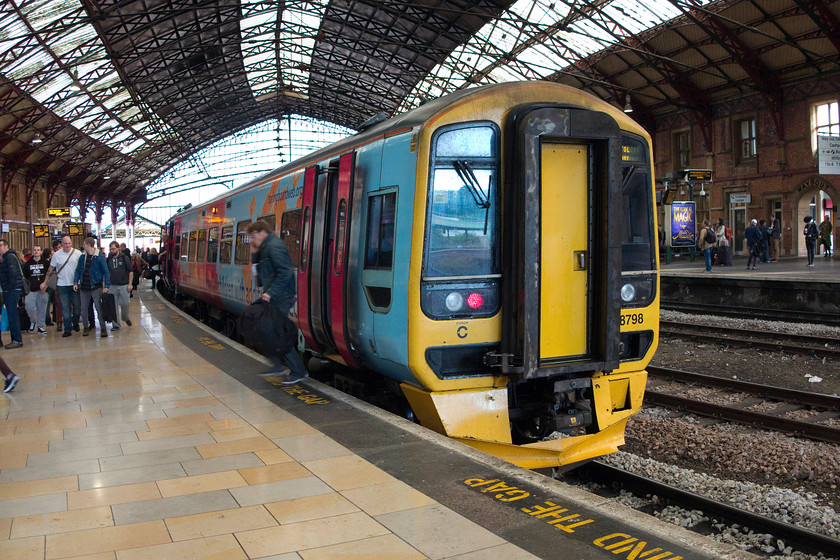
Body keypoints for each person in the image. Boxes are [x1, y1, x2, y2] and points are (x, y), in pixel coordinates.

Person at [247, 220, 308, 384]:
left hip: (281, 296)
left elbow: (286, 272)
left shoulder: (274, 246)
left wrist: (270, 292)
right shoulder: (266, 248)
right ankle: (276, 366)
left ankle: (298, 371)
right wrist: (254, 254)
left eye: (253, 236)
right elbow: (259, 278)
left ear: (262, 232)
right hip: (275, 296)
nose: (252, 240)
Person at [43, 236, 82, 337]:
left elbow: (82, 268)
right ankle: (68, 329)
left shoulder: (78, 253)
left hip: (75, 284)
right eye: (65, 244)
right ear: (62, 244)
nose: (67, 246)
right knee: (65, 308)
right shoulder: (56, 255)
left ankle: (75, 322)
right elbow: (51, 269)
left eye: (69, 243)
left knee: (77, 308)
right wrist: (45, 282)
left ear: (71, 243)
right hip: (62, 285)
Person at [74, 237, 110, 337]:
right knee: (84, 308)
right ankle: (86, 327)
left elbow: (106, 272)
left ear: (88, 245)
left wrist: (106, 285)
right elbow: (78, 270)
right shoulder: (82, 257)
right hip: (84, 287)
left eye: (84, 244)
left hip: (96, 287)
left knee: (99, 308)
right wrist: (75, 282)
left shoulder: (99, 257)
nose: (83, 246)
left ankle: (103, 328)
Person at [0, 239, 25, 349]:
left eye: (0, 245)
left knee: (12, 315)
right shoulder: (8, 257)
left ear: (6, 246)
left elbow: (13, 274)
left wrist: (7, 288)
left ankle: (17, 340)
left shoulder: (9, 257)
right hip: (13, 289)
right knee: (11, 314)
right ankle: (16, 339)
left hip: (12, 290)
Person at [106, 241, 133, 329]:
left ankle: (125, 317)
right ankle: (116, 324)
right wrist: (105, 286)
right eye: (110, 249)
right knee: (113, 306)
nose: (112, 251)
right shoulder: (108, 259)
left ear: (118, 248)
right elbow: (105, 273)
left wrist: (130, 284)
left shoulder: (124, 258)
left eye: (113, 249)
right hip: (112, 285)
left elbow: (131, 271)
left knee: (125, 303)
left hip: (123, 285)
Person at [22, 245, 49, 335]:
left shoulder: (45, 263)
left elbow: (49, 275)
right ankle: (33, 321)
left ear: (41, 251)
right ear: (32, 252)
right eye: (34, 250)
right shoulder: (27, 264)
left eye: (38, 250)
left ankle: (40, 326)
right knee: (29, 307)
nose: (36, 251)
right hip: (31, 290)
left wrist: (46, 285)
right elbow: (24, 277)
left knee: (42, 309)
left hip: (42, 290)